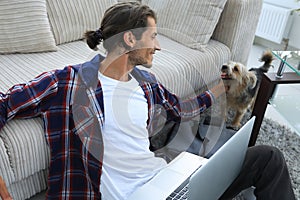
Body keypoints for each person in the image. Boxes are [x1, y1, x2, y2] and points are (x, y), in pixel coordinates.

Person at [0, 2, 296, 200]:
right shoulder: (67, 81)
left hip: (163, 183)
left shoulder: (146, 82)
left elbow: (180, 110)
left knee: (268, 158)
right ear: (130, 40)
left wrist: (218, 89)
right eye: (153, 36)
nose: (158, 45)